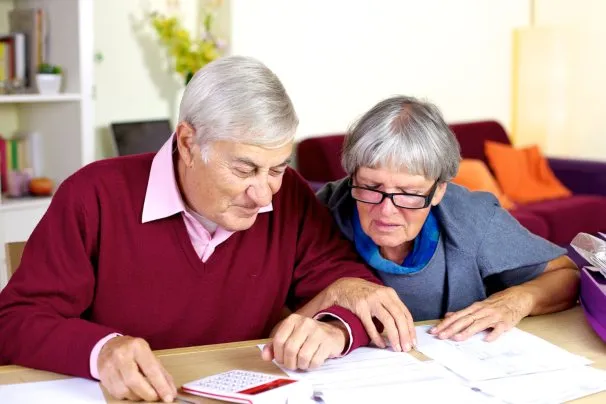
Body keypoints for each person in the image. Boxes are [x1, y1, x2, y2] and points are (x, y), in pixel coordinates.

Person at [0, 57, 412, 403]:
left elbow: (356, 289)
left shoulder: (290, 199)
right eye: (244, 168)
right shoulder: (94, 195)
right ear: (187, 143)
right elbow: (15, 320)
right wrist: (100, 350)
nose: (263, 193)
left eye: (277, 168)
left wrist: (332, 329)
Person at [317, 95, 580, 344]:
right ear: (352, 177)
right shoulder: (324, 210)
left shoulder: (472, 217)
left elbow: (566, 276)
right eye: (371, 186)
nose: (386, 210)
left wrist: (518, 300)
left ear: (439, 190)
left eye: (409, 193)